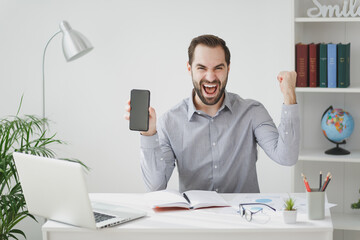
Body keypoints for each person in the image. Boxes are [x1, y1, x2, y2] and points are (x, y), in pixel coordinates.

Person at [125, 34, 299, 193]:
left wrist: (289, 95)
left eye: (218, 68)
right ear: (189, 68)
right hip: (197, 222)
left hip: (244, 221)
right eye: (201, 68)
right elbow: (156, 186)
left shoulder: (252, 112)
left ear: (228, 68)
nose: (210, 77)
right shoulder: (170, 122)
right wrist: (148, 134)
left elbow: (287, 157)